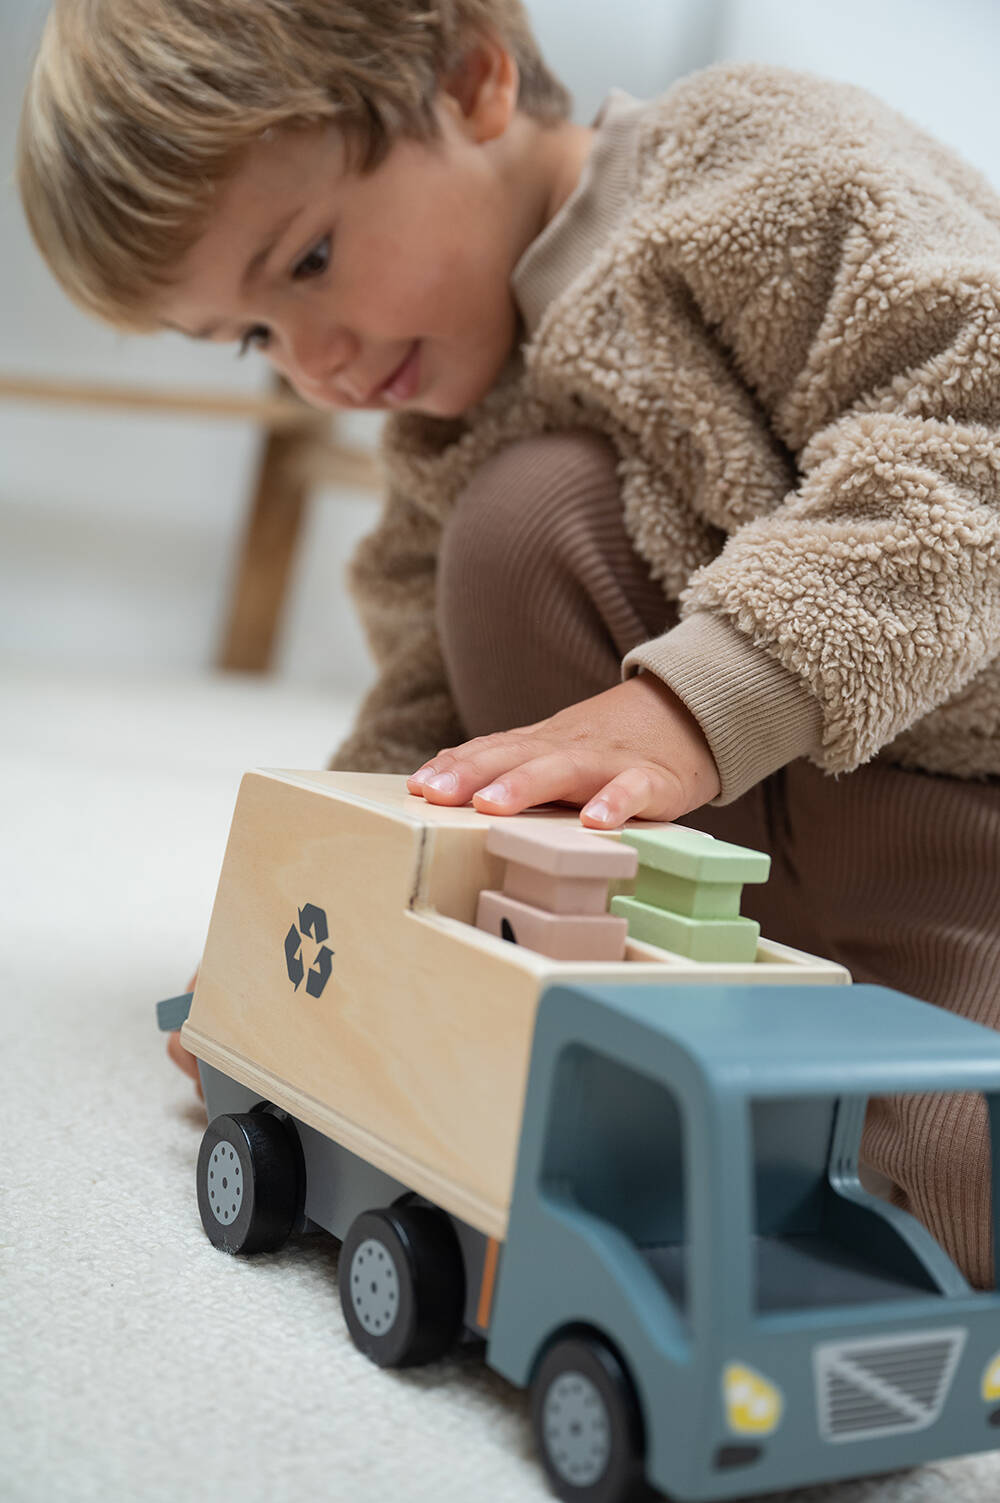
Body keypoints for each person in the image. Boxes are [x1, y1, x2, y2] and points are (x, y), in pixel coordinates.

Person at [19, 0, 1000, 1286]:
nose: (312, 367)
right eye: (254, 339)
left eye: (308, 263)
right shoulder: (446, 429)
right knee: (509, 532)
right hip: (732, 872)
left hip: (950, 814)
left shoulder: (749, 158)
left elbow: (968, 442)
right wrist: (302, 943)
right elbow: (426, 727)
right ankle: (686, 1034)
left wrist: (694, 702)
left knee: (928, 1204)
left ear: (473, 81)